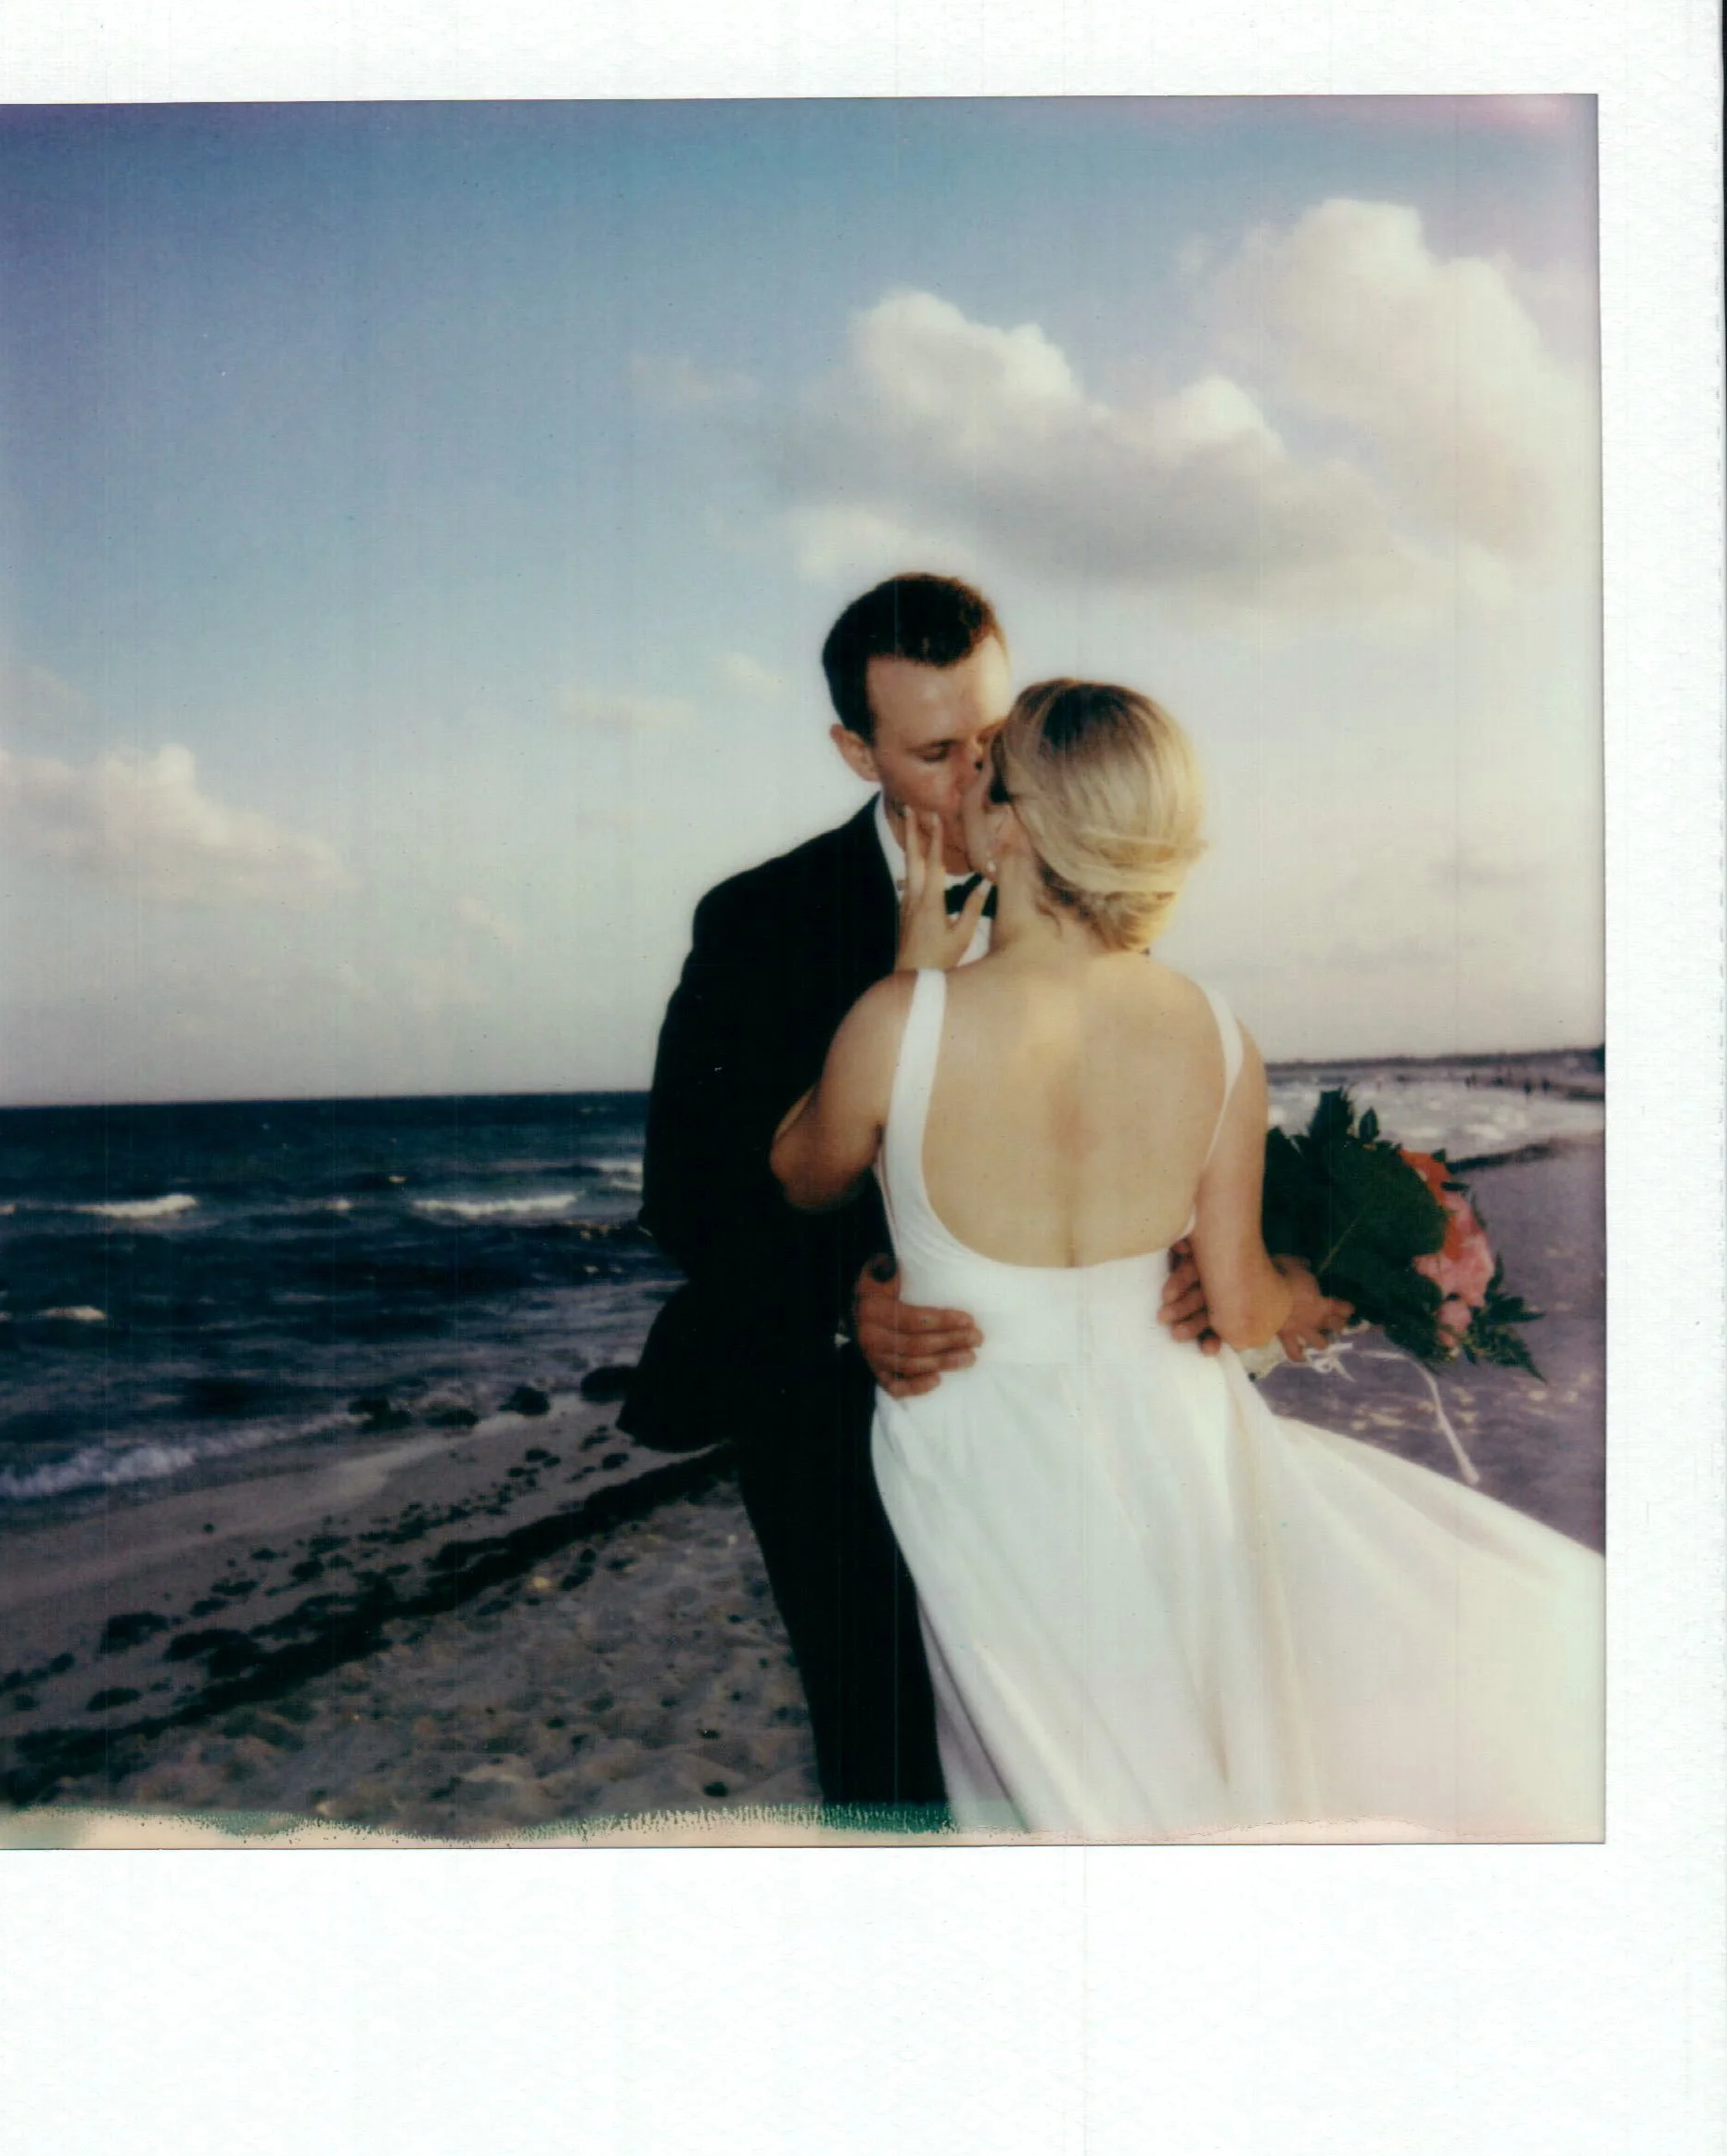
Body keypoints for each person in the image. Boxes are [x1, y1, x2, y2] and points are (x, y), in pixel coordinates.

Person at [771, 679, 1604, 1839]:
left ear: (1012, 826)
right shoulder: (1213, 1031)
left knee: (1041, 1788)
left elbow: (800, 1172)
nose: (961, 782)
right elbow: (1246, 1306)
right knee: (1193, 1768)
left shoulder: (892, 1019)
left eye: (984, 769)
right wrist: (1327, 1286)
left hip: (977, 1460)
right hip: (1172, 1448)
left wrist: (911, 971)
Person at [620, 576, 1344, 1812]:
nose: (970, 783)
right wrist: (854, 1305)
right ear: (856, 751)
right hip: (834, 1421)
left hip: (1079, 1445)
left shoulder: (1077, 890)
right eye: (934, 751)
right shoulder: (758, 920)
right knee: (893, 1774)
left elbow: (1115, 1123)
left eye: (992, 745)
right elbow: (683, 1196)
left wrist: (1168, 1261)